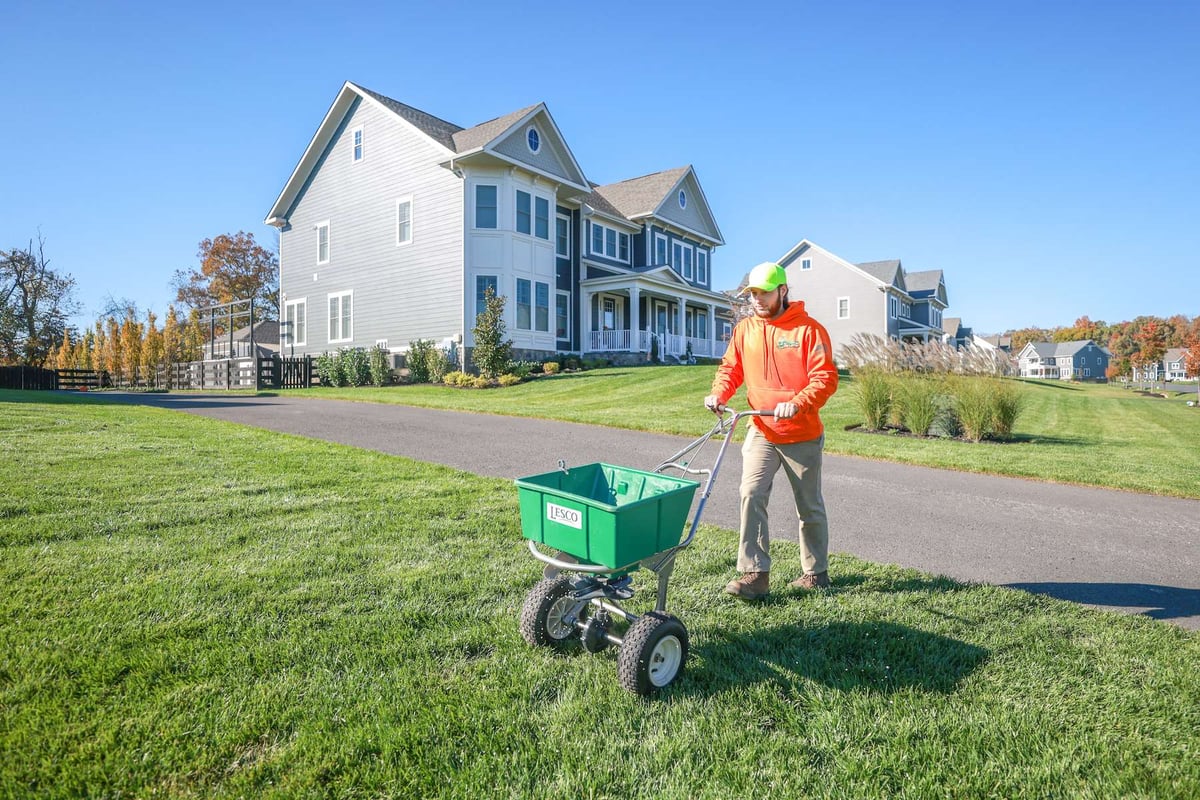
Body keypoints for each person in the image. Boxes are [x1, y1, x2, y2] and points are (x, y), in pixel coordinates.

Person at [704, 262, 839, 600]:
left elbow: (825, 379)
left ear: (783, 290)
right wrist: (719, 394)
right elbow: (731, 368)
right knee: (751, 493)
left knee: (808, 506)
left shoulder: (809, 330)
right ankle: (755, 574)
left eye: (764, 292)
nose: (757, 299)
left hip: (801, 432)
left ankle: (815, 574)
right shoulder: (745, 329)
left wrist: (798, 401)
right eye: (752, 294)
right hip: (761, 427)